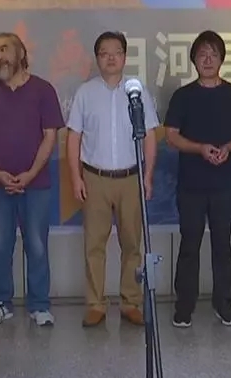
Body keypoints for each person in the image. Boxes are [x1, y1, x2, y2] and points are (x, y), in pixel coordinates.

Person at [0, 32, 64, 327]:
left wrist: (30, 174)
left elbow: (50, 136)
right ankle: (0, 303)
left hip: (36, 185)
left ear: (21, 53)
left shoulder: (43, 90)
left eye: (4, 49)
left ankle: (39, 305)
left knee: (36, 245)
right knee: (0, 245)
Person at [67, 31, 159, 327]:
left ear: (124, 57)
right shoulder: (85, 93)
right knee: (94, 245)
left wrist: (147, 175)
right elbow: (73, 137)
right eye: (104, 53)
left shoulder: (137, 91)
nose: (110, 57)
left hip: (131, 177)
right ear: (97, 58)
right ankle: (95, 304)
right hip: (95, 178)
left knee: (132, 244)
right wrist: (76, 178)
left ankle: (131, 302)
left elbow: (150, 136)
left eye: (116, 52)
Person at [163, 30, 231, 328]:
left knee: (222, 245)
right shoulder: (183, 96)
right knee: (189, 244)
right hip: (191, 183)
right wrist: (200, 148)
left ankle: (223, 304)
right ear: (193, 60)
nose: (208, 59)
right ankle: (184, 306)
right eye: (202, 54)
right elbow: (171, 135)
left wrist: (227, 148)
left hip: (225, 183)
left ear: (222, 59)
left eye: (213, 54)